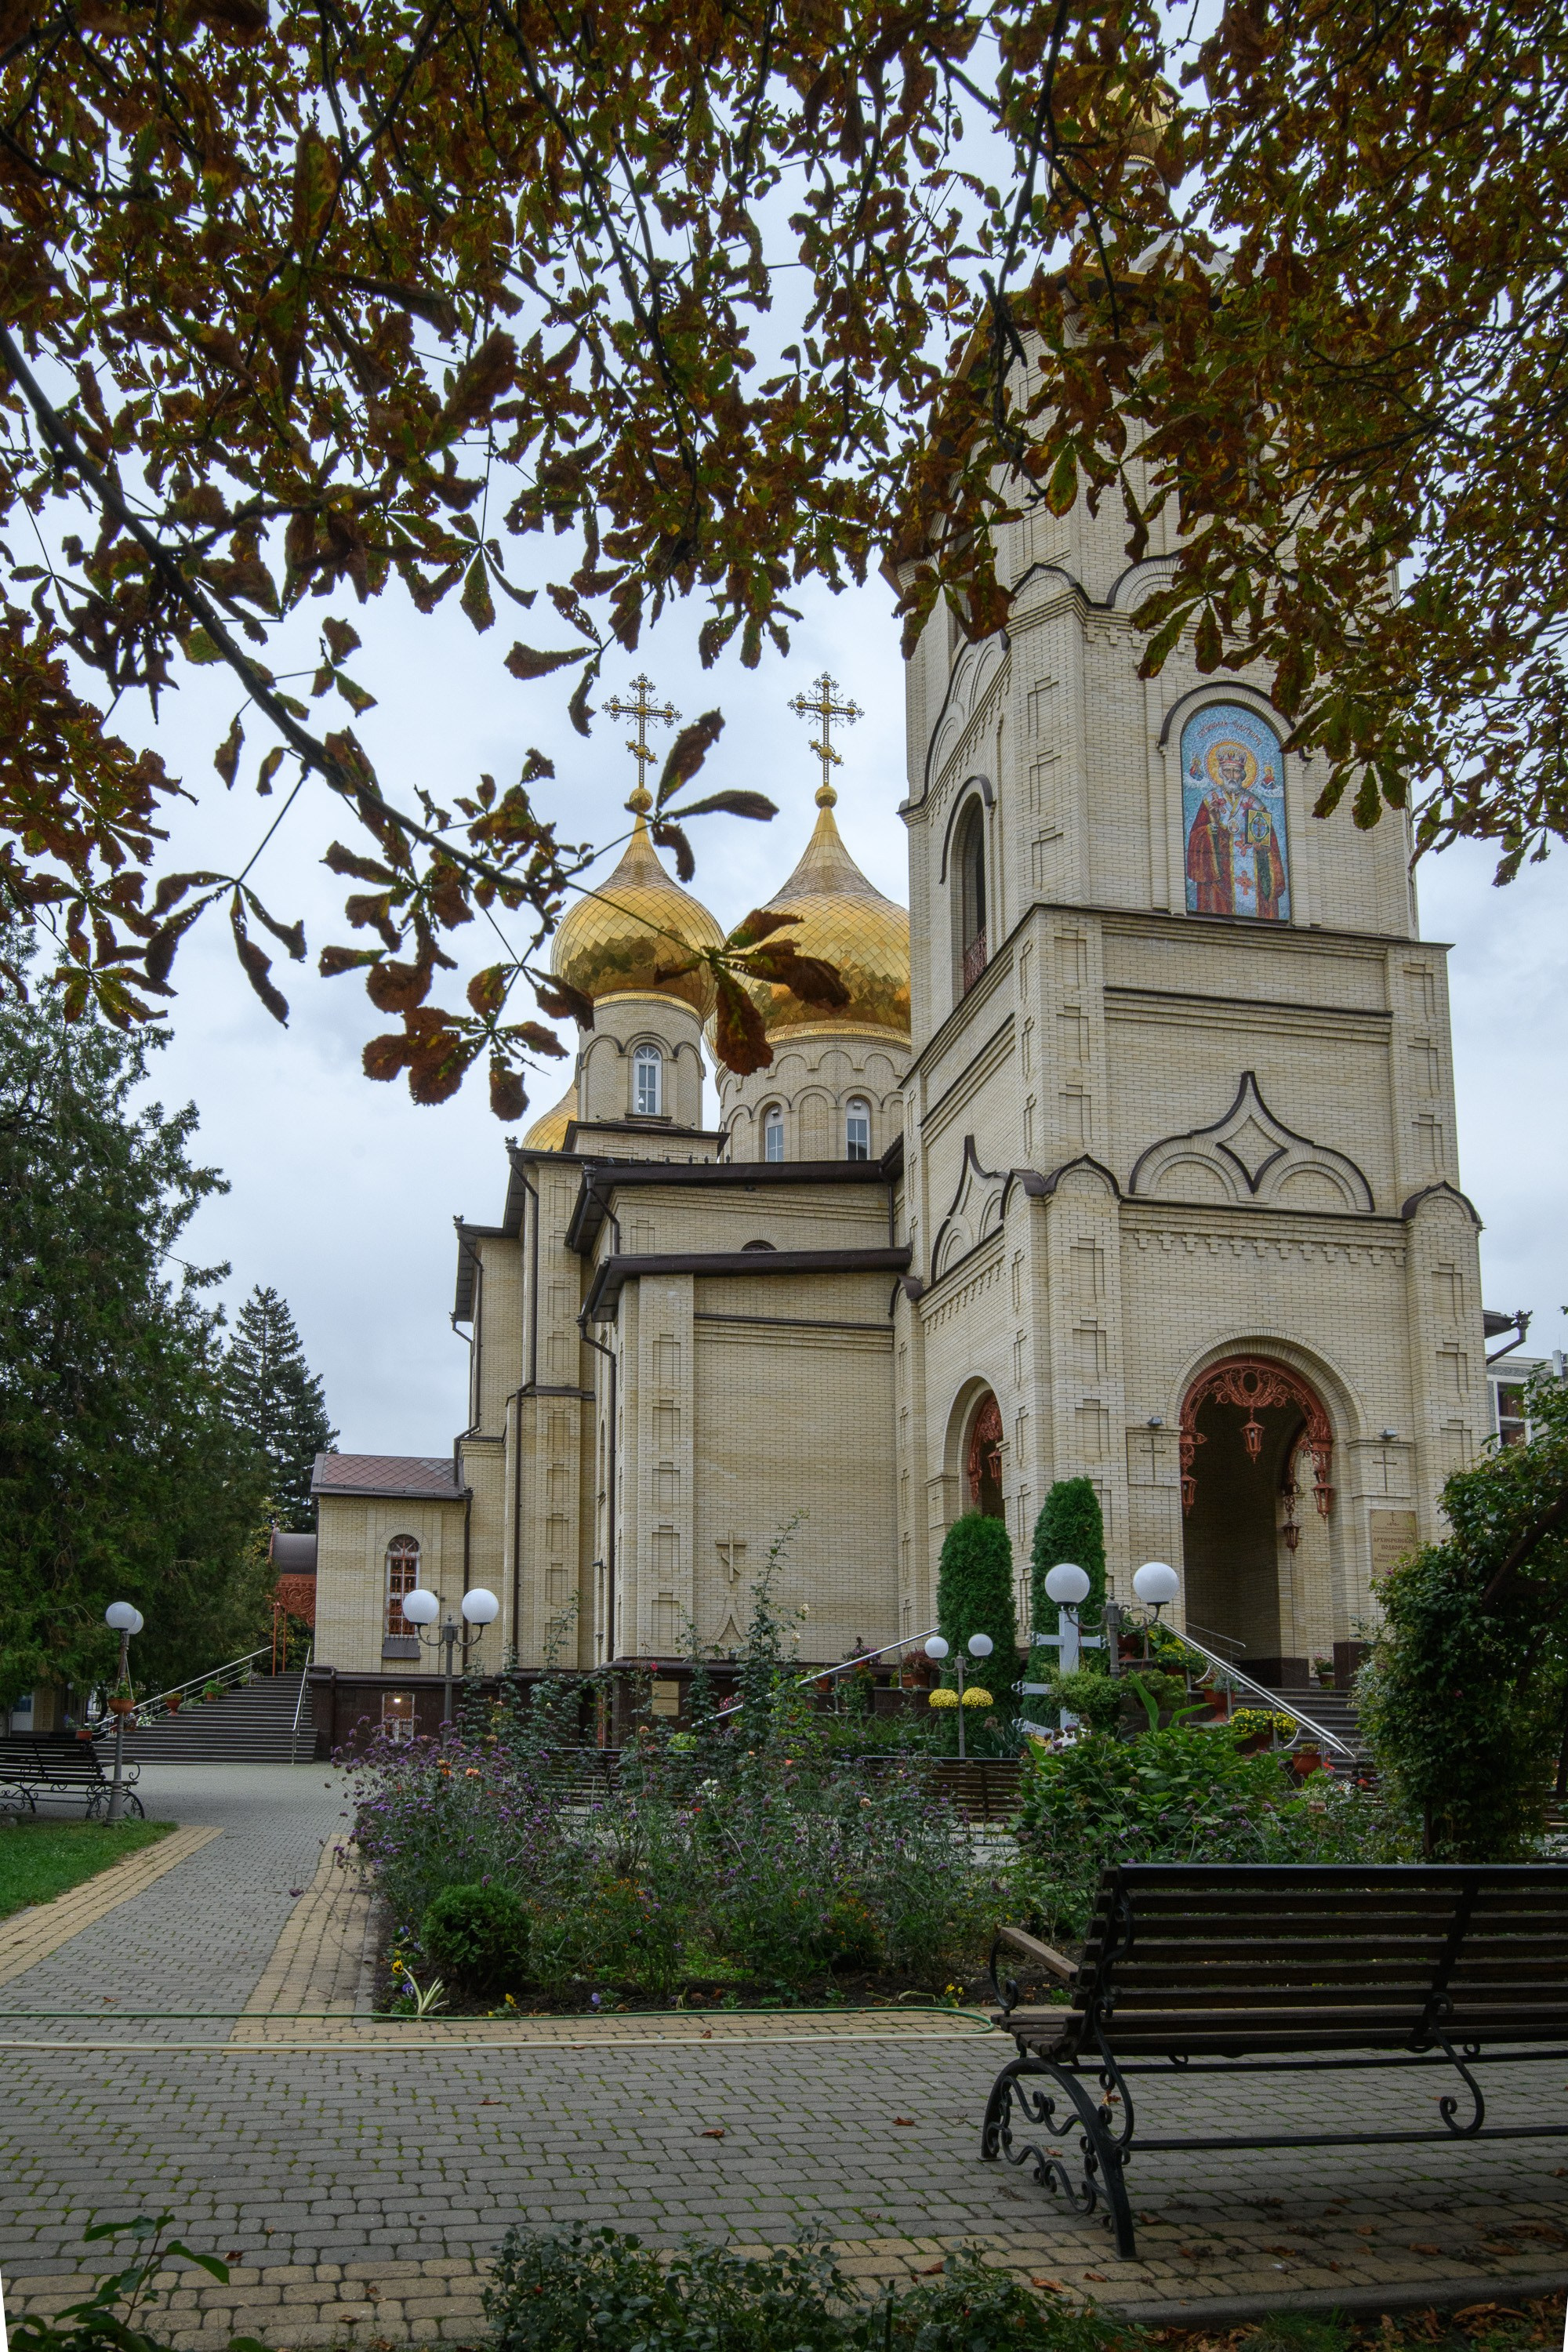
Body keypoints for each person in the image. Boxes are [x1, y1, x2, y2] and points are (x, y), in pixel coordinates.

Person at [1185, 737, 1287, 919]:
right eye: (1227, 771)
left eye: (1236, 771)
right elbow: (1196, 837)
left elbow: (1269, 842)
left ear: (1243, 774)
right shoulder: (1210, 800)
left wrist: (1262, 849)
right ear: (1221, 773)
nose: (1232, 776)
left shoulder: (1255, 804)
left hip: (1252, 869)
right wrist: (1213, 826)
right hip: (1220, 873)